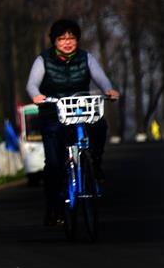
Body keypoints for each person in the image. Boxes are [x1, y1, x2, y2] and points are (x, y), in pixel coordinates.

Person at [26, 18, 119, 226]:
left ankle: (94, 162)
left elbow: (101, 78)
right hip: (53, 115)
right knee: (53, 165)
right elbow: (32, 84)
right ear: (54, 41)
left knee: (99, 125)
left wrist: (108, 89)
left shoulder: (86, 58)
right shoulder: (43, 60)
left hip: (82, 110)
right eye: (62, 39)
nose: (67, 42)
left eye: (71, 38)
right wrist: (37, 96)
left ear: (77, 40)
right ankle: (54, 209)